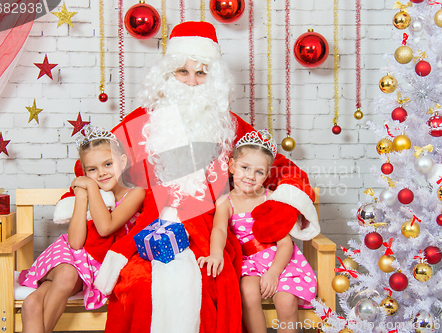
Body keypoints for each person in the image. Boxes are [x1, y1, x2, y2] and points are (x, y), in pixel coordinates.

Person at [88, 21, 320, 333]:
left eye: (201, 73)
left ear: (214, 78)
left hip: (212, 231)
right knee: (141, 285)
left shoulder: (230, 125)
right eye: (182, 72)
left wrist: (275, 214)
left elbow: (287, 171)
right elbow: (93, 163)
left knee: (207, 283)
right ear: (168, 75)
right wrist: (80, 195)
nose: (192, 82)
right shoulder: (142, 122)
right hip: (149, 231)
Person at [19, 125, 145, 333]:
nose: (102, 173)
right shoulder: (86, 193)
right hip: (69, 255)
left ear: (122, 162)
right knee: (66, 273)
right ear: (85, 171)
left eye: (108, 164)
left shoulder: (135, 194)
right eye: (92, 170)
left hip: (94, 264)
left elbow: (105, 227)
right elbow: (76, 243)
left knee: (32, 304)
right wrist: (81, 195)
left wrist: (90, 187)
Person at [198, 130, 317, 333]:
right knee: (247, 293)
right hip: (248, 262)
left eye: (259, 172)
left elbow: (285, 243)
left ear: (267, 175)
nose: (251, 177)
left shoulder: (272, 199)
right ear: (232, 166)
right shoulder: (225, 202)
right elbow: (219, 229)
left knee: (287, 302)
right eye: (245, 168)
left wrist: (273, 272)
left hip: (279, 260)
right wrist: (216, 253)